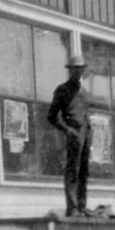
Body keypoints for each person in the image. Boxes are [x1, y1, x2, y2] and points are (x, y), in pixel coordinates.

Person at [47, 54, 92, 217]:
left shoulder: (83, 91)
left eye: (80, 69)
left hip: (86, 132)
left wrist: (89, 129)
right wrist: (67, 130)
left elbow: (84, 112)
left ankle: (82, 206)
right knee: (73, 169)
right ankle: (72, 207)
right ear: (70, 70)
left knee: (84, 171)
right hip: (74, 132)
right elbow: (51, 117)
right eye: (75, 69)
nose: (78, 72)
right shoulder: (62, 90)